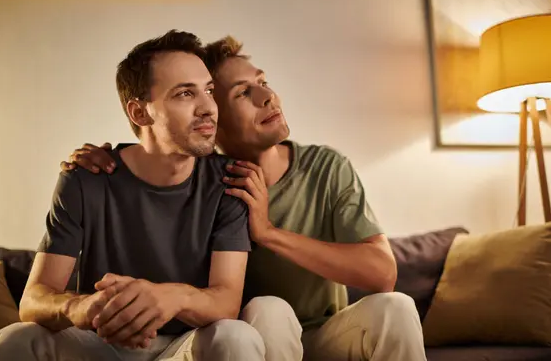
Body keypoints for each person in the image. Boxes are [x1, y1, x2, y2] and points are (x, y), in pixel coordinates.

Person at [61, 36, 427, 361]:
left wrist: (267, 232)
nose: (267, 96)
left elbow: (382, 273)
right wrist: (98, 160)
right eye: (242, 92)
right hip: (249, 337)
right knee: (269, 310)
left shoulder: (325, 168)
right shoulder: (208, 183)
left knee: (395, 307)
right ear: (212, 118)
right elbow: (157, 149)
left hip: (326, 335)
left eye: (263, 82)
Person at [0, 31, 269, 361]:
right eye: (184, 94)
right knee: (17, 338)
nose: (208, 107)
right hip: (100, 343)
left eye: (208, 90)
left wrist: (170, 297)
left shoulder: (230, 179)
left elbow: (226, 301)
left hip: (184, 347)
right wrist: (81, 306)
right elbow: (32, 301)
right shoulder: (85, 178)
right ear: (139, 113)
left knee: (236, 335)